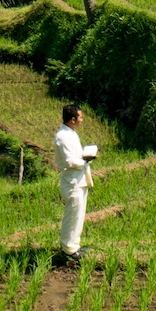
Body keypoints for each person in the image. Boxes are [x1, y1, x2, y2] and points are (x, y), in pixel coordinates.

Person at [53, 103, 95, 264]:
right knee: (72, 216)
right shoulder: (62, 137)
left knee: (78, 216)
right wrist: (85, 160)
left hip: (79, 180)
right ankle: (68, 249)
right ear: (72, 119)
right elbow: (70, 160)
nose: (82, 120)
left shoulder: (70, 133)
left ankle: (74, 247)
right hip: (72, 181)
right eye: (80, 117)